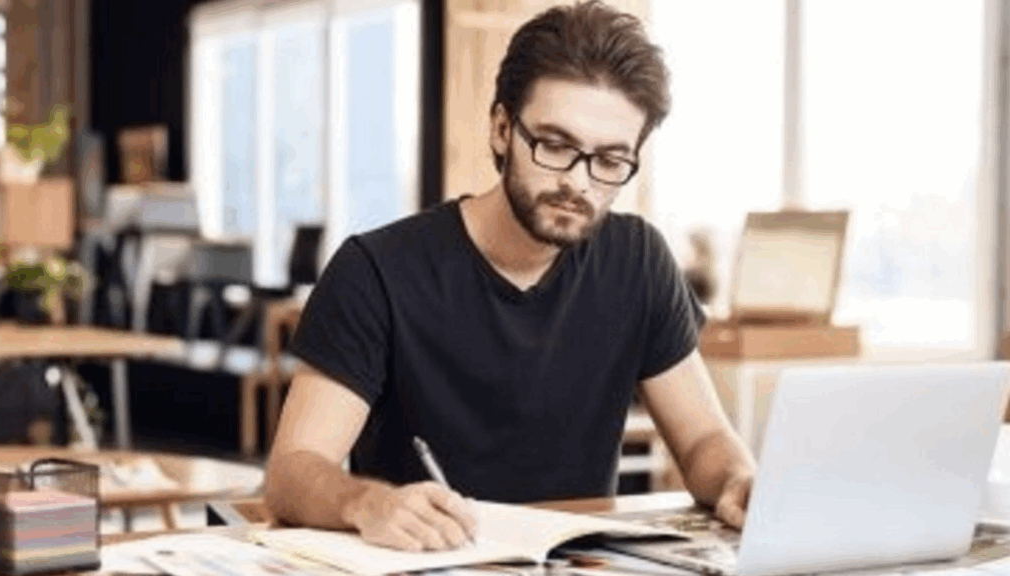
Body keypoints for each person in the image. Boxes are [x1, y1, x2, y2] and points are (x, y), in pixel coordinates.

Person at [264, 0, 756, 553]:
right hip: (428, 562)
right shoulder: (376, 271)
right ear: (501, 129)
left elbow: (704, 441)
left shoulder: (639, 261)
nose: (579, 182)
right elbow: (291, 471)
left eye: (611, 160)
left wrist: (738, 479)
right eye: (555, 146)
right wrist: (365, 503)